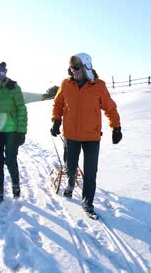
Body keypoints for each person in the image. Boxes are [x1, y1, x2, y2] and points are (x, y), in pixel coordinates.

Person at [51, 53, 122, 218]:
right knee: (70, 165)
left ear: (86, 67)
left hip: (91, 136)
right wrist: (56, 120)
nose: (73, 70)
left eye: (76, 67)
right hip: (70, 135)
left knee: (90, 172)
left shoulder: (98, 86)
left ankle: (87, 203)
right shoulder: (66, 84)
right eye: (71, 67)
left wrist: (116, 127)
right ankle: (69, 183)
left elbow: (110, 108)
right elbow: (58, 103)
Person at [0, 62, 28, 205]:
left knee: (10, 159)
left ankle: (15, 185)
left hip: (11, 131)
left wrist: (21, 131)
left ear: (3, 78)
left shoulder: (14, 88)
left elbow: (22, 109)